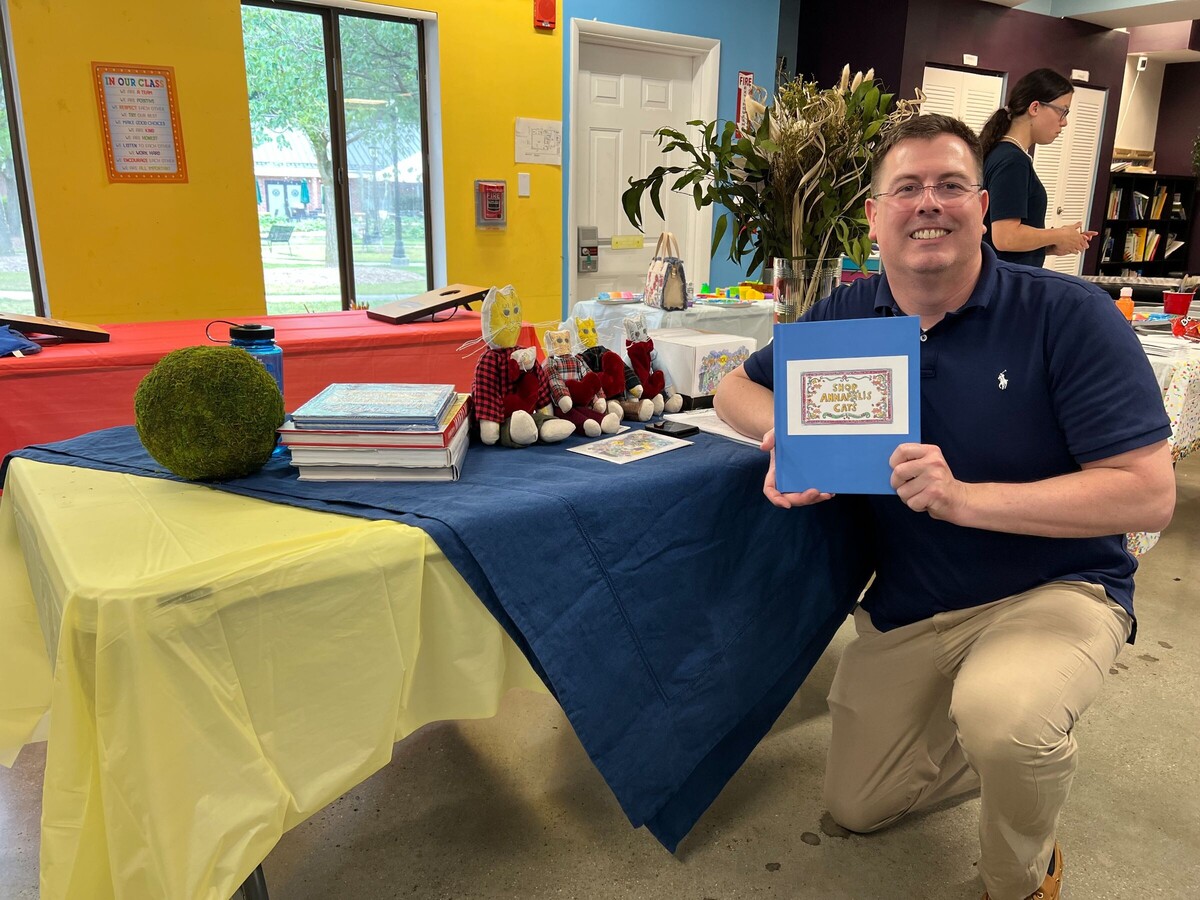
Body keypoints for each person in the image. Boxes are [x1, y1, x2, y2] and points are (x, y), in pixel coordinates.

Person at [715, 114, 1175, 900]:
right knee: (857, 806)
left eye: (951, 185)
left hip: (1055, 589)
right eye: (907, 188)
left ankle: (1025, 874)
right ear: (873, 214)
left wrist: (964, 499)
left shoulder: (1067, 316)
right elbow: (735, 386)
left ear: (984, 205)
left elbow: (1149, 493)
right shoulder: (846, 315)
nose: (929, 203)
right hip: (912, 608)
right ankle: (999, 737)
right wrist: (788, 436)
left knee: (1007, 718)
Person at [979, 68, 1095, 267]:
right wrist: (1057, 234)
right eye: (1063, 111)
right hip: (1006, 283)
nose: (1065, 122)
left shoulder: (1001, 153)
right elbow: (1005, 237)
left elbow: (999, 240)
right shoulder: (1012, 161)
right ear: (1034, 108)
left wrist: (1052, 244)